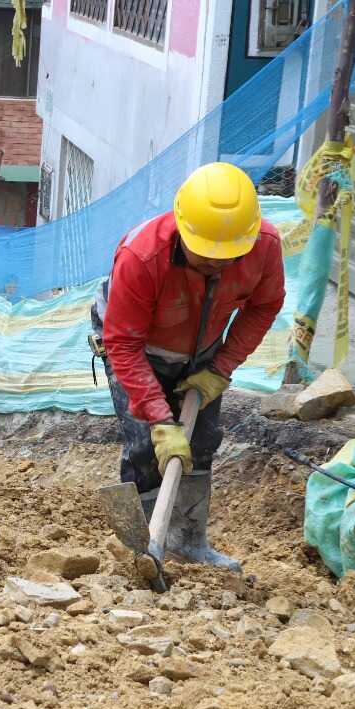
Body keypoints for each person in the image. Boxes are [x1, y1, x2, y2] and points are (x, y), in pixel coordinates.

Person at [92, 162, 285, 572]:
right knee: (148, 445)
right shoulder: (143, 256)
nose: (218, 265)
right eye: (207, 257)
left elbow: (265, 305)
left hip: (203, 352)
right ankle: (141, 550)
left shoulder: (264, 246)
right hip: (137, 345)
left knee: (200, 443)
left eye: (229, 257)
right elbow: (123, 343)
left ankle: (189, 543)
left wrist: (222, 367)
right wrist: (161, 421)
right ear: (183, 228)